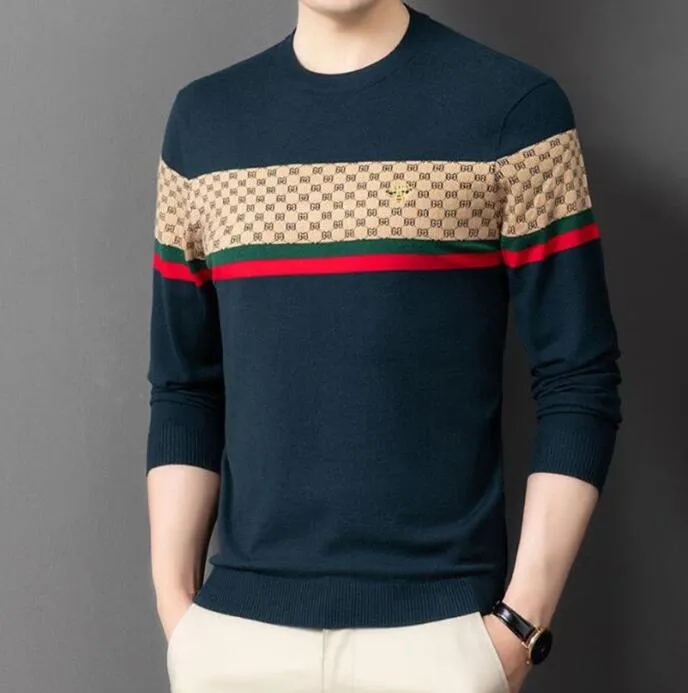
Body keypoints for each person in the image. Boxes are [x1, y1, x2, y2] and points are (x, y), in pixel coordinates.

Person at [145, 1, 623, 691]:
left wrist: (519, 628)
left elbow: (578, 376)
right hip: (235, 642)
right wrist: (179, 615)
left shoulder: (514, 110)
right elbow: (185, 384)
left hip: (439, 640)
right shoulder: (204, 124)